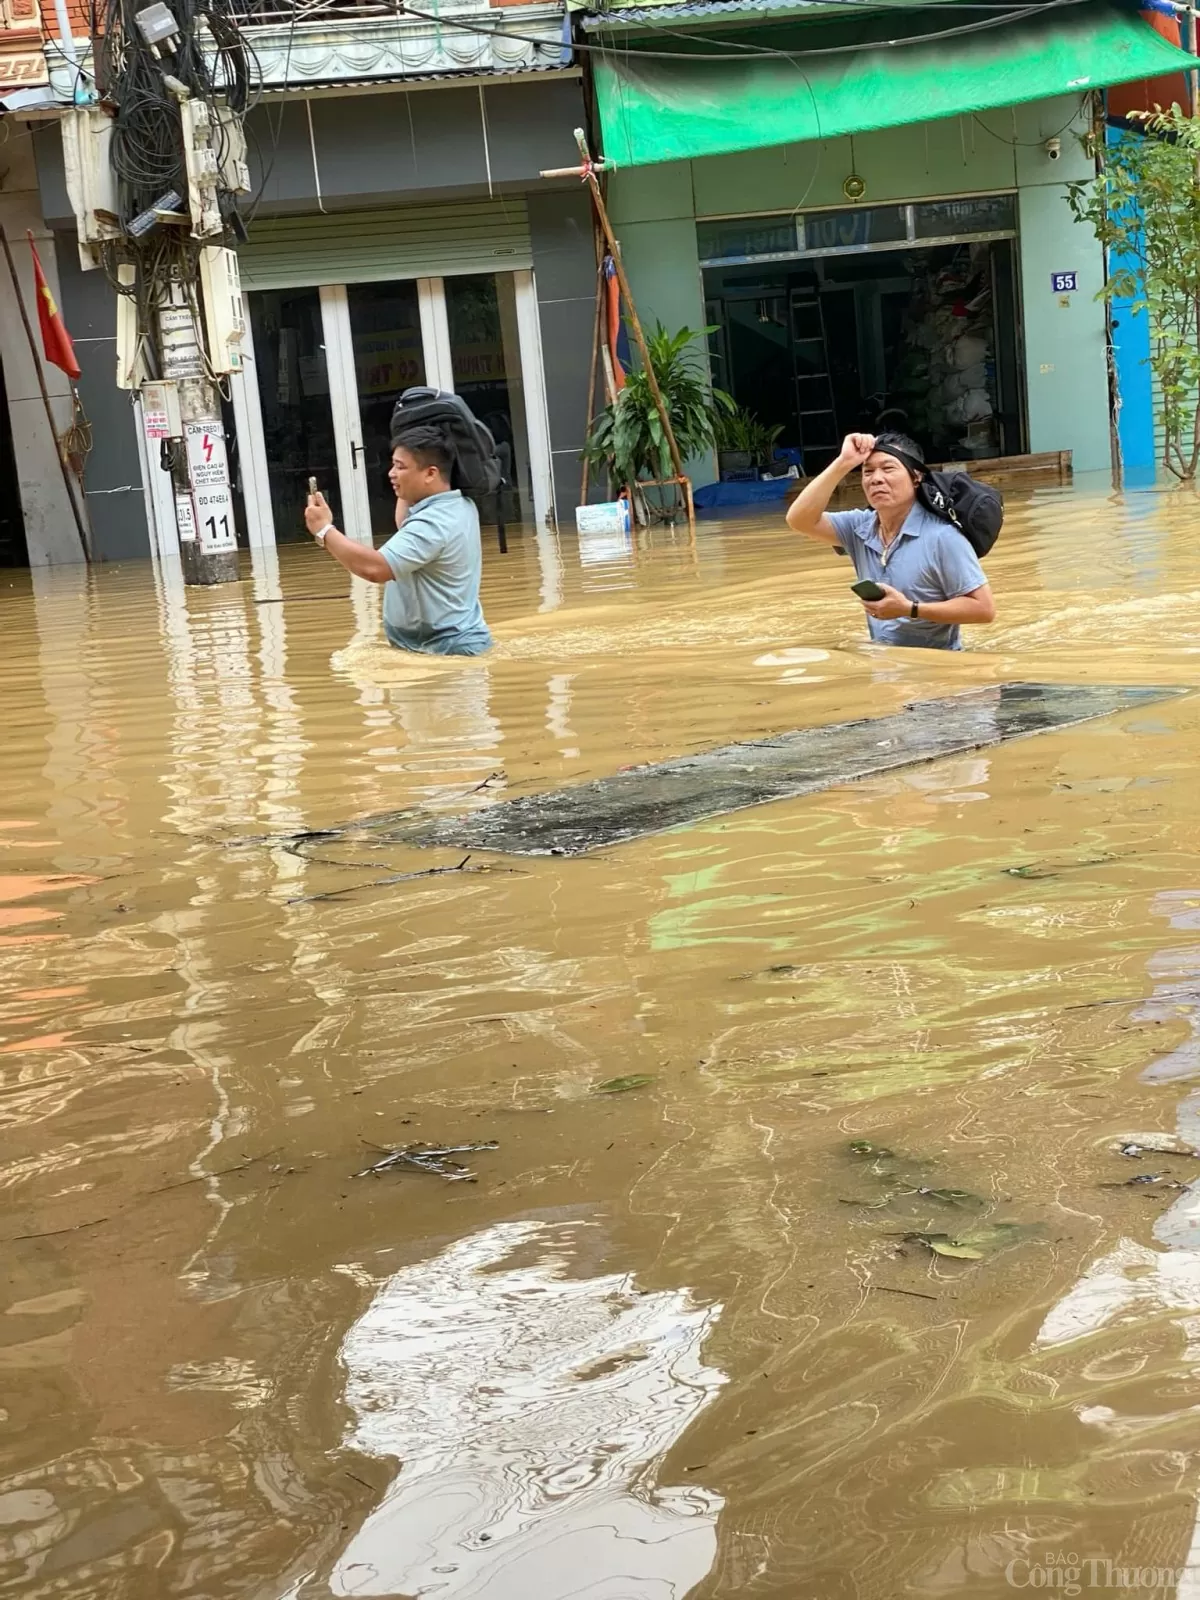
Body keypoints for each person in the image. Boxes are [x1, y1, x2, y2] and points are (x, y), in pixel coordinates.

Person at [785, 431, 995, 650]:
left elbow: (984, 609)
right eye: (868, 471)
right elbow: (799, 520)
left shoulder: (943, 537)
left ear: (916, 477)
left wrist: (909, 609)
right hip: (884, 663)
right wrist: (843, 462)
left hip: (937, 671)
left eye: (888, 468)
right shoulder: (859, 527)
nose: (876, 478)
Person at [302, 425, 493, 656]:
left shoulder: (434, 524)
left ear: (430, 473)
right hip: (445, 646)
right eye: (393, 464)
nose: (391, 473)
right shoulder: (458, 505)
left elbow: (375, 568)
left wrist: (323, 530)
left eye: (400, 467)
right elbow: (404, 524)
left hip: (447, 652)